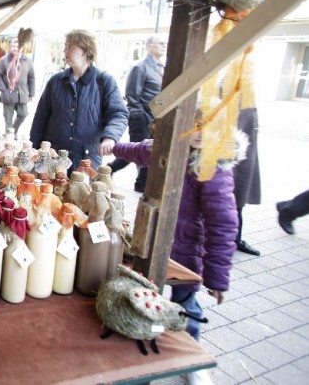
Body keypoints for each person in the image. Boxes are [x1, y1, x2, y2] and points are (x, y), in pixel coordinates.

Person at [111, 111, 241, 385]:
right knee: (143, 293)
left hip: (187, 252)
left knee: (186, 308)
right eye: (194, 124)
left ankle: (190, 359)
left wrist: (217, 278)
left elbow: (223, 225)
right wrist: (113, 146)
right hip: (151, 241)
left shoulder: (212, 168)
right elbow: (137, 150)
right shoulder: (165, 149)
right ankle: (140, 342)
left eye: (207, 125)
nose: (199, 132)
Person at [29, 29, 128, 173]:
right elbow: (41, 117)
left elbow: (118, 113)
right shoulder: (56, 81)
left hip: (86, 160)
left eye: (71, 47)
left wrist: (110, 137)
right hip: (52, 158)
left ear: (86, 50)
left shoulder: (104, 81)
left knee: (82, 188)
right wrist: (33, 148)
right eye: (65, 47)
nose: (65, 51)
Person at [108, 34, 166, 192]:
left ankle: (139, 182)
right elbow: (132, 96)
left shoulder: (160, 67)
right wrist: (140, 116)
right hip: (142, 118)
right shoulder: (140, 67)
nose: (164, 46)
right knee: (138, 150)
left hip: (155, 118)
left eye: (164, 43)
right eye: (160, 43)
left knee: (147, 150)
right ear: (149, 46)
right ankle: (113, 170)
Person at [0, 28, 36, 134]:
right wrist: (4, 90)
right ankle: (9, 138)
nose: (15, 48)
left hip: (23, 94)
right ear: (10, 47)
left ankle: (14, 131)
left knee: (23, 114)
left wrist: (31, 93)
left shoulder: (28, 61)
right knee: (8, 118)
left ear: (21, 47)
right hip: (8, 94)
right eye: (13, 46)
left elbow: (31, 77)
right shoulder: (4, 60)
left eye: (17, 46)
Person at [233, 107, 262, 255]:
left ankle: (235, 238)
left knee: (239, 193)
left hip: (245, 143)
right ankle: (231, 239)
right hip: (229, 144)